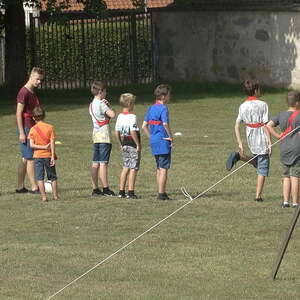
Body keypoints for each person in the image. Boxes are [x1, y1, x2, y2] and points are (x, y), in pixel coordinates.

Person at [226, 79, 271, 202]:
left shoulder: (242, 105)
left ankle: (240, 157)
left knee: (258, 161)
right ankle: (258, 196)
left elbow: (236, 125)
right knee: (263, 166)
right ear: (256, 90)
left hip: (250, 136)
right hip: (261, 136)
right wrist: (269, 142)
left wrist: (240, 143)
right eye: (259, 89)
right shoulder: (263, 104)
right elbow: (266, 125)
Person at [266, 91, 300, 208]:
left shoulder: (281, 114)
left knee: (286, 176)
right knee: (295, 176)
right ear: (297, 103)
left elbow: (268, 125)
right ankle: (295, 203)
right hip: (297, 149)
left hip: (284, 149)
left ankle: (285, 202)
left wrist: (278, 136)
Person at [16, 67, 44, 194]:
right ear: (31, 76)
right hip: (26, 128)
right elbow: (18, 113)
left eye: (41, 80)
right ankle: (34, 187)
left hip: (31, 127)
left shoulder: (32, 92)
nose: (39, 82)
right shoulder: (24, 92)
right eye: (37, 79)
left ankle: (20, 187)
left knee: (25, 158)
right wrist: (22, 132)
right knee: (30, 157)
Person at [142, 84, 173, 200]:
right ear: (164, 97)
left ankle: (160, 191)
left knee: (159, 167)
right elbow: (165, 123)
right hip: (163, 141)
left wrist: (151, 137)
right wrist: (170, 137)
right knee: (164, 168)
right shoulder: (164, 108)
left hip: (154, 141)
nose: (170, 97)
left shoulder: (150, 108)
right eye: (169, 95)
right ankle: (161, 194)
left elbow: (144, 126)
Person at [89, 81, 116, 197]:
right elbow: (112, 114)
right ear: (100, 92)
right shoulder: (101, 104)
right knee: (103, 163)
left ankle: (95, 188)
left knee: (95, 163)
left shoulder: (91, 104)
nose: (106, 93)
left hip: (96, 136)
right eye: (105, 91)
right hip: (104, 136)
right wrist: (108, 105)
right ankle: (105, 188)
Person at [28, 106, 59, 202]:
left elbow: (31, 145)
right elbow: (52, 143)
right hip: (48, 156)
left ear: (33, 117)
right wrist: (52, 155)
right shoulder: (50, 127)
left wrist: (42, 147)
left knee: (39, 177)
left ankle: (44, 197)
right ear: (44, 116)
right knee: (53, 177)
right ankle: (55, 196)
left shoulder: (32, 129)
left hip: (37, 156)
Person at [115, 93, 141, 199]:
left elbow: (116, 131)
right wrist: (138, 144)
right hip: (132, 144)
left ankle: (121, 191)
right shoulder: (132, 117)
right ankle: (130, 192)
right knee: (133, 168)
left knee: (125, 167)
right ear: (130, 104)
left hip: (124, 143)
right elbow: (133, 131)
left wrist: (120, 143)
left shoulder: (120, 116)